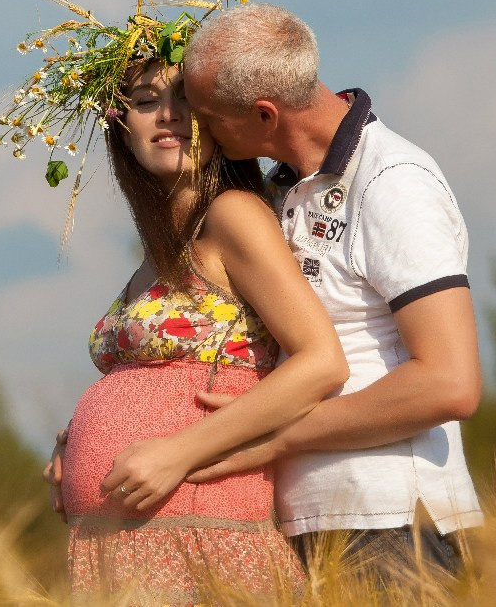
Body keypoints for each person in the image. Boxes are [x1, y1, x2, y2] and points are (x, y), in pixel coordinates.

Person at [172, 2, 483, 575]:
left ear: (264, 115)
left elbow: (450, 383)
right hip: (306, 523)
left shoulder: (393, 182)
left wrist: (279, 436)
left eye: (209, 115)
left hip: (389, 524)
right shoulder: (279, 189)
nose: (199, 128)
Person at [50, 55, 348, 603]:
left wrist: (178, 452)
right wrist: (74, 446)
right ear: (121, 126)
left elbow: (321, 361)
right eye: (145, 102)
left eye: (185, 99)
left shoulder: (231, 215)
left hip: (201, 534)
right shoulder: (159, 250)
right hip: (122, 547)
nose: (168, 115)